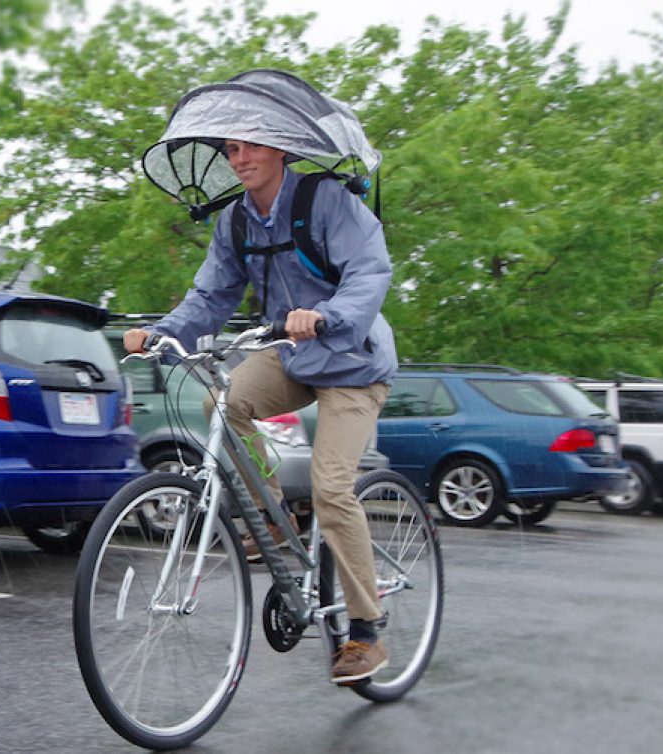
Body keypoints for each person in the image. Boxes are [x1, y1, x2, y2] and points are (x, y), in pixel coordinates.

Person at [123, 138, 399, 683]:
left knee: (331, 488)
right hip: (294, 357)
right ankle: (270, 517)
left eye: (252, 148)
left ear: (281, 152)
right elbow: (210, 297)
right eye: (231, 150)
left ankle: (366, 631)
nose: (240, 159)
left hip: (353, 361)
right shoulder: (236, 222)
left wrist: (324, 314)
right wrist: (161, 333)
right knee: (222, 402)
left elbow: (369, 271)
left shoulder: (326, 200)